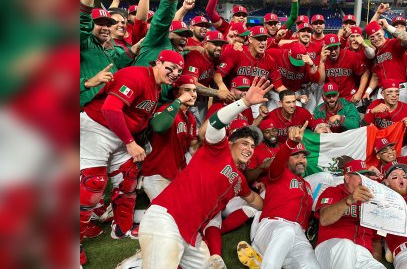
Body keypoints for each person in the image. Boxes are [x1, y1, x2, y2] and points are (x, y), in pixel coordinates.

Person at [139, 77, 270, 269]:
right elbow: (215, 123)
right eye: (244, 142)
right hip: (167, 220)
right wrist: (245, 103)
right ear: (231, 142)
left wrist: (274, 207)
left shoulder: (239, 180)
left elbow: (254, 200)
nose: (250, 148)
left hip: (192, 235)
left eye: (252, 146)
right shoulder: (218, 149)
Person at [80, 49, 184, 264]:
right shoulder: (135, 75)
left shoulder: (156, 87)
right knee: (93, 184)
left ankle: (121, 228)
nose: (174, 73)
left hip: (119, 135)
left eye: (179, 71)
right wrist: (130, 143)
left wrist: (137, 140)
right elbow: (110, 109)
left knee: (128, 177)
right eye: (171, 67)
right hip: (97, 127)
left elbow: (138, 117)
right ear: (158, 62)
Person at [249, 121, 321, 269]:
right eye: (296, 156)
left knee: (312, 265)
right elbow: (278, 161)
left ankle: (264, 258)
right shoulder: (279, 173)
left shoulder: (307, 185)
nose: (301, 160)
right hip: (273, 226)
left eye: (304, 157)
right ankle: (261, 254)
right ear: (287, 160)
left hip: (298, 234)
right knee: (286, 231)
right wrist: (290, 143)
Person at [314, 159, 384, 269]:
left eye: (367, 176)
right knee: (346, 246)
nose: (365, 180)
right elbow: (324, 219)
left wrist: (375, 260)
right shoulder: (332, 191)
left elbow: (376, 241)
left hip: (363, 253)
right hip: (332, 247)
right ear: (347, 178)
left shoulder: (372, 201)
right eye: (361, 176)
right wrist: (350, 200)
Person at [140, 75, 199, 201]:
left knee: (186, 208)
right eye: (187, 90)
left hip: (176, 173)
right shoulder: (165, 110)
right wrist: (178, 101)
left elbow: (193, 148)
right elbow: (158, 127)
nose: (192, 94)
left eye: (194, 90)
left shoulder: (191, 118)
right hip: (156, 173)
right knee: (165, 209)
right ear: (176, 92)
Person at [133, 0, 196, 67]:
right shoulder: (156, 40)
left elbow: (174, 23)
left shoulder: (176, 52)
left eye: (185, 35)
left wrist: (183, 9)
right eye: (181, 35)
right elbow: (163, 20)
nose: (184, 38)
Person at [79, 0, 120, 107]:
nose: (105, 28)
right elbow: (82, 20)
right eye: (99, 24)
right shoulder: (83, 42)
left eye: (108, 25)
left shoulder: (108, 49)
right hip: (84, 115)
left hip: (106, 113)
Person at [362, 21, 407, 103]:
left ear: (383, 32)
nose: (376, 39)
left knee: (399, 115)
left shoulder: (393, 43)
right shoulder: (377, 53)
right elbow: (375, 76)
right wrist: (368, 91)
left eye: (378, 35)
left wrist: (388, 27)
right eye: (372, 37)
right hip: (383, 90)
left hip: (399, 89)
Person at [363, 80, 407, 147]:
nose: (394, 95)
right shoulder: (375, 104)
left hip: (399, 146)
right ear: (382, 94)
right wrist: (371, 113)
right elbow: (363, 127)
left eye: (396, 92)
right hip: (378, 146)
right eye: (390, 92)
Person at [324, 30, 371, 104]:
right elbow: (319, 82)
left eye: (335, 47)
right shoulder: (322, 58)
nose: (333, 51)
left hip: (350, 97)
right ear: (324, 48)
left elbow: (365, 72)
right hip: (330, 98)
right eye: (330, 48)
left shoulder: (350, 55)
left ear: (340, 46)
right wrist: (321, 61)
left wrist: (359, 93)